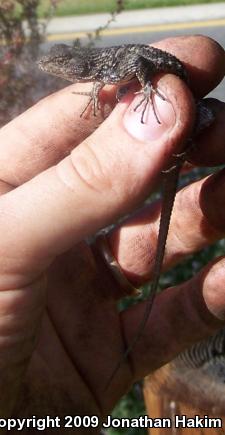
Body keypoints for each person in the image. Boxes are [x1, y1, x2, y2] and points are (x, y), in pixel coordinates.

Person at [0, 35, 224, 433]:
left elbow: (139, 59)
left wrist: (149, 85)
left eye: (61, 68)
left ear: (75, 68)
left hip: (173, 83)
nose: (56, 72)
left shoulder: (110, 65)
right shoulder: (99, 72)